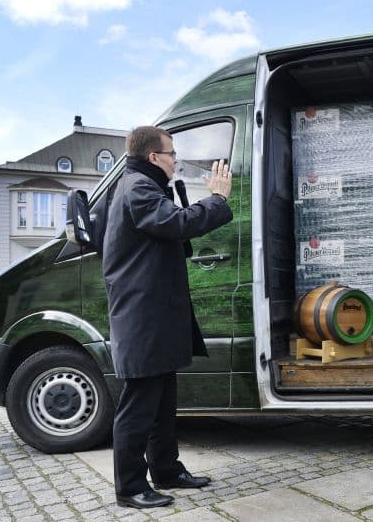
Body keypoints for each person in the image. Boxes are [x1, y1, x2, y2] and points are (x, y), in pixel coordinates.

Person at [103, 126, 233, 509]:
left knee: (161, 404)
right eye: (172, 153)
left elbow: (172, 232)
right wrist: (216, 198)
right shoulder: (137, 188)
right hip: (144, 318)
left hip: (154, 316)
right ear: (153, 157)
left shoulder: (142, 187)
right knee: (139, 407)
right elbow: (177, 225)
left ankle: (166, 470)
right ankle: (129, 487)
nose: (176, 159)